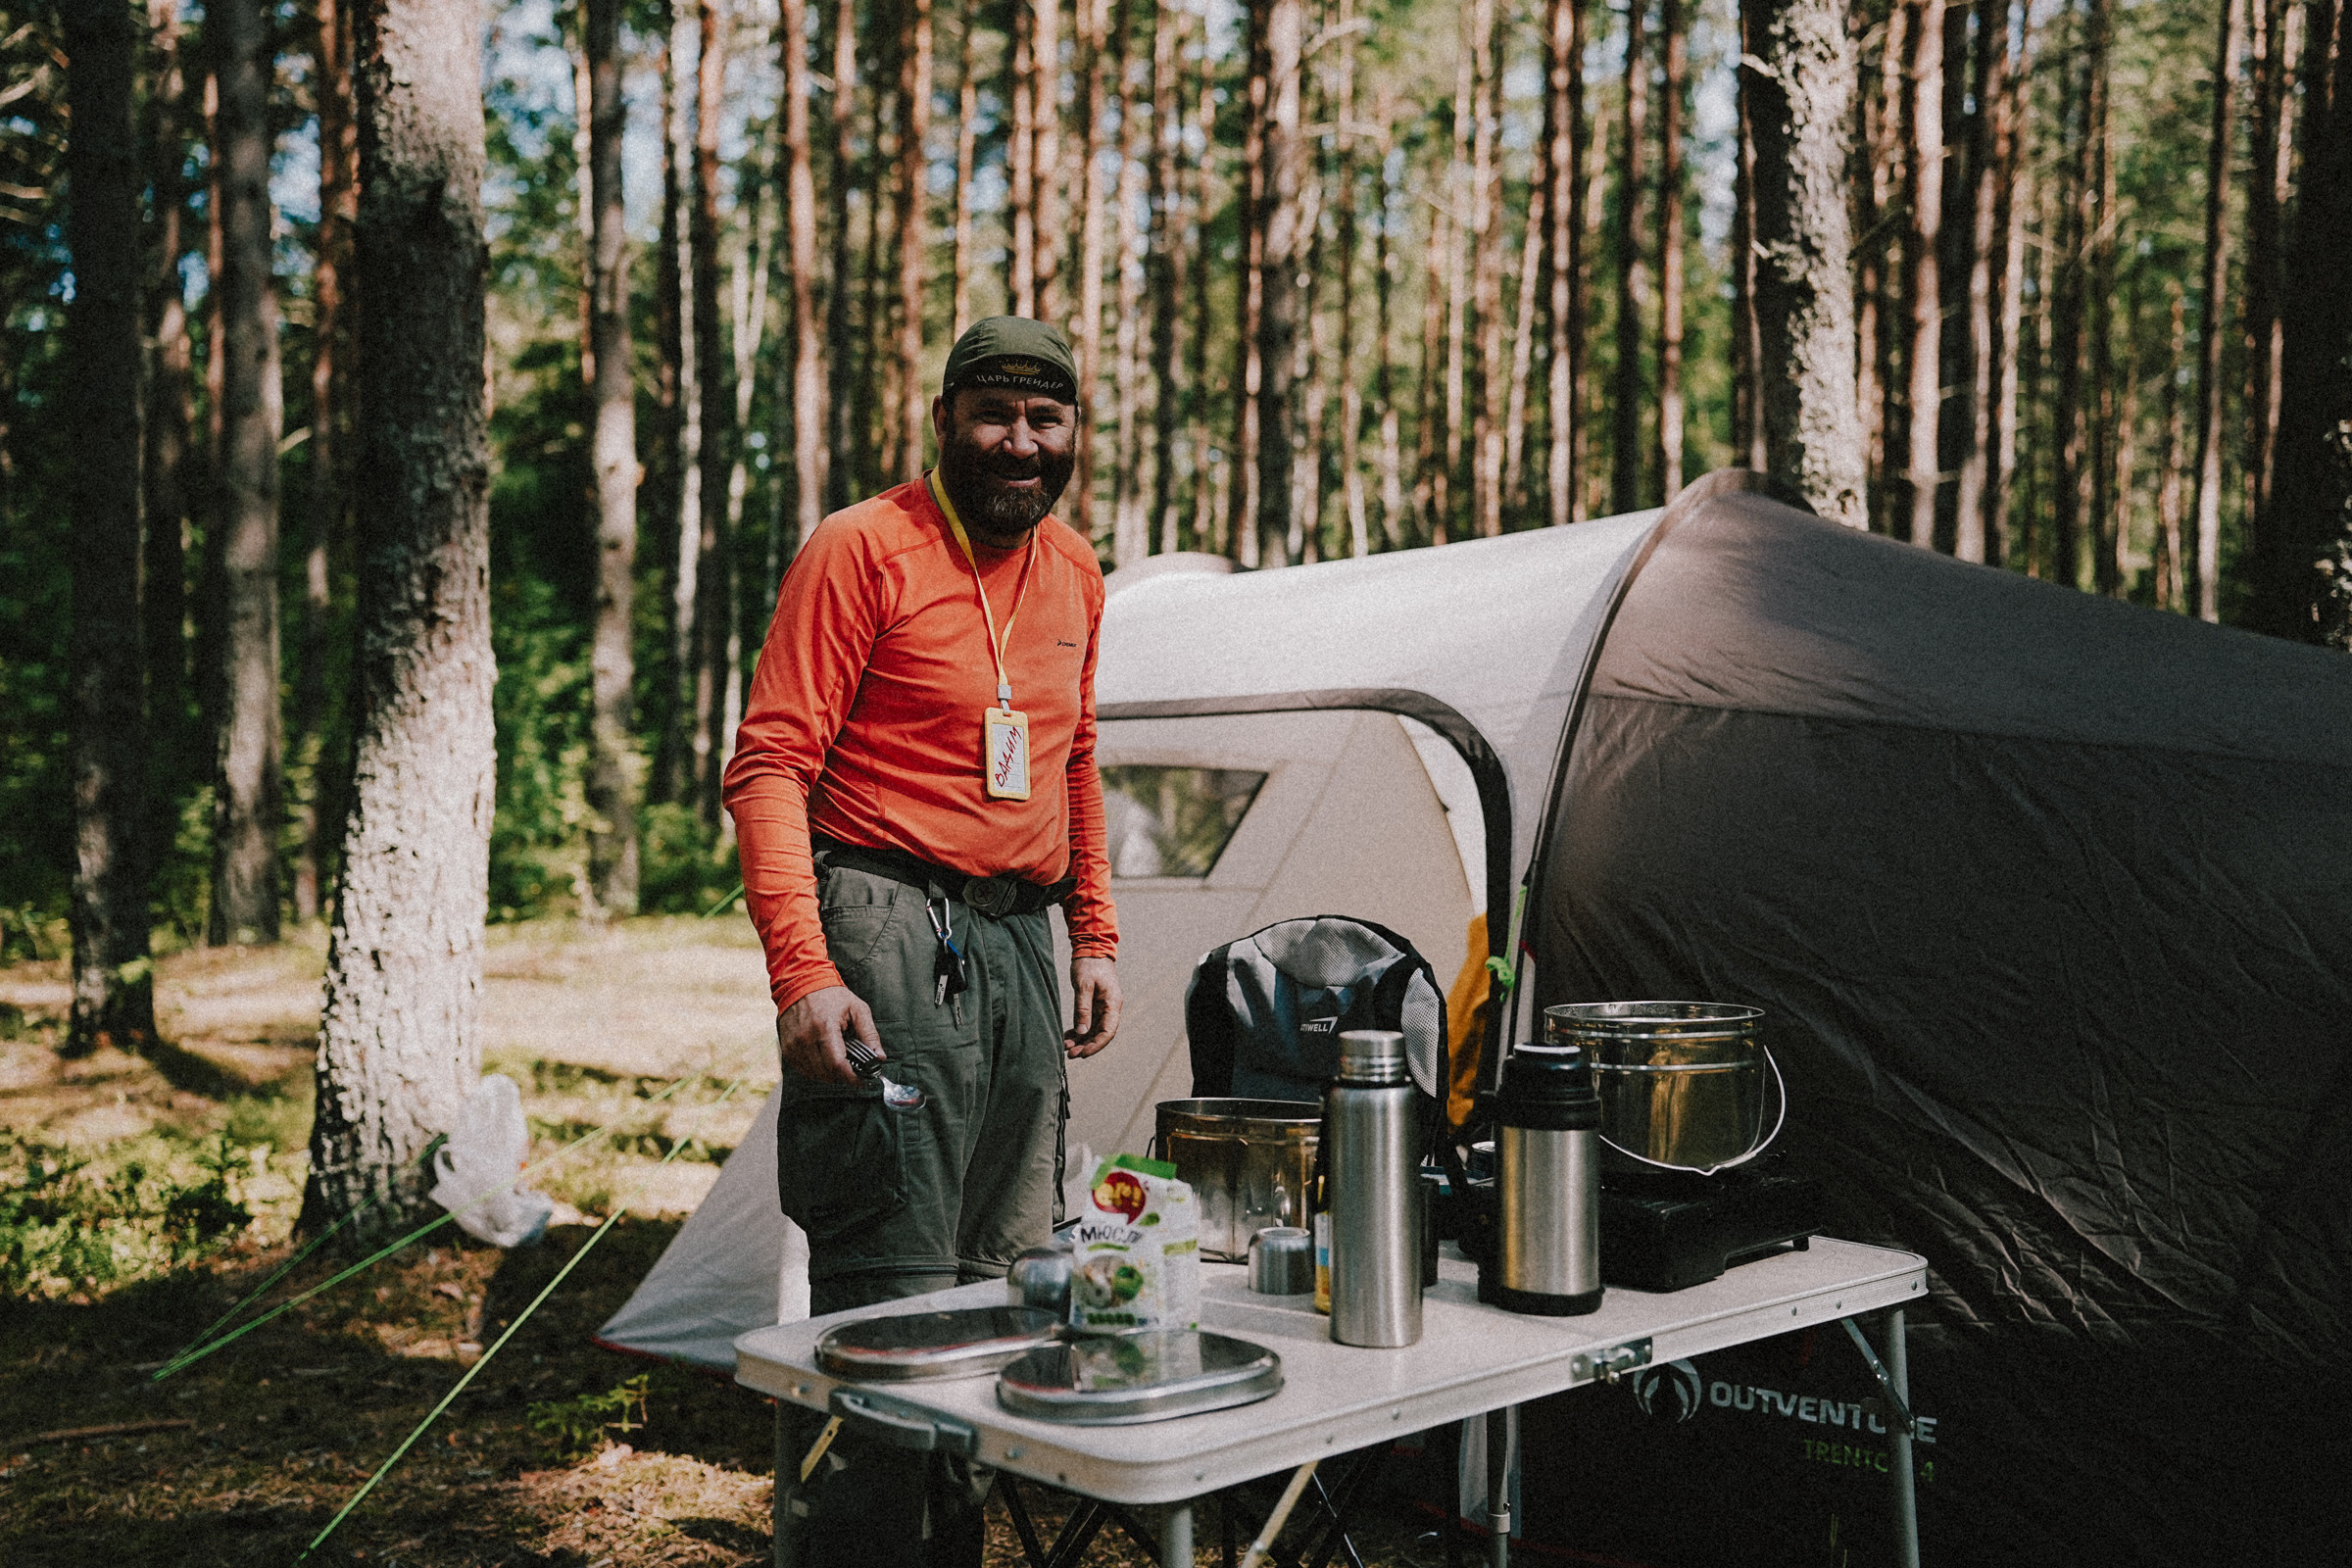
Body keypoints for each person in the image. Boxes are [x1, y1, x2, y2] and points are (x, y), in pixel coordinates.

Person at [722, 317, 1122, 1566]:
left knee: (1006, 1282)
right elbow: (770, 764)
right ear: (944, 417)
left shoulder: (1075, 572)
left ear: (1072, 436)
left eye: (1046, 420)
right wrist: (804, 970)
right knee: (892, 1291)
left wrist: (1092, 927)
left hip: (1016, 943)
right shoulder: (863, 547)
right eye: (996, 414)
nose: (1021, 442)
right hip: (884, 925)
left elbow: (1075, 759)